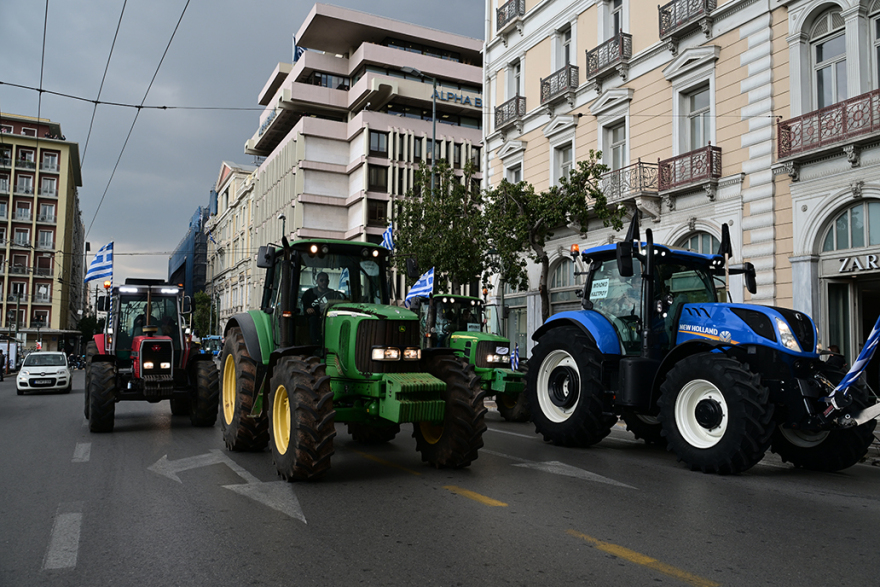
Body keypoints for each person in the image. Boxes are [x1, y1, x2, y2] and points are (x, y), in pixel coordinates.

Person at [301, 272, 344, 344]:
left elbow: (339, 305)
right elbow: (304, 306)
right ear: (317, 281)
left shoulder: (334, 294)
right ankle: (314, 344)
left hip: (330, 318)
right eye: (321, 280)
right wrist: (307, 309)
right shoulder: (309, 293)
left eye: (326, 280)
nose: (324, 282)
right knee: (313, 320)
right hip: (315, 318)